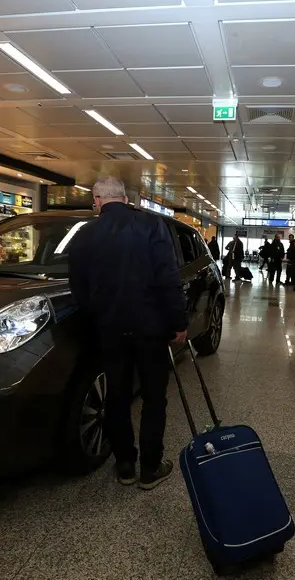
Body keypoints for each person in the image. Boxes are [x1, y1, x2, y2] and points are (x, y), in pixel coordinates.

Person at [69, 176, 188, 490]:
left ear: (97, 200)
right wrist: (178, 322)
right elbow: (168, 278)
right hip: (151, 329)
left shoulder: (84, 234)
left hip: (109, 330)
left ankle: (124, 464)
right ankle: (150, 466)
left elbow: (78, 288)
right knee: (153, 397)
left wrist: (95, 318)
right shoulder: (151, 226)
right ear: (124, 197)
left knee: (117, 397)